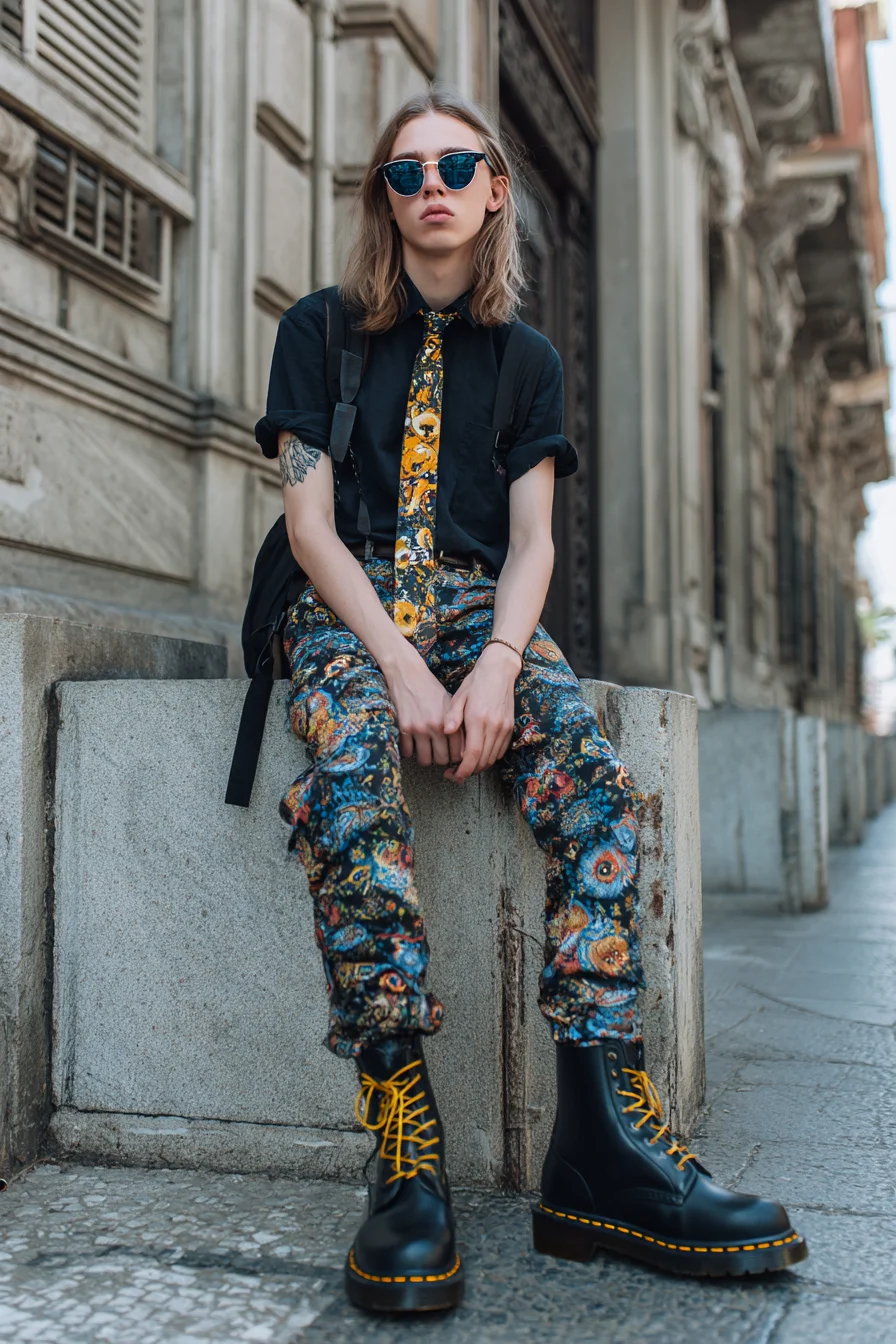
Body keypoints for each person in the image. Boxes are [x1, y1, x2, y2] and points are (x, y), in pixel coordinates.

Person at [254, 88, 807, 1315]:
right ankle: (404, 1149)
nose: (431, 187)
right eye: (405, 174)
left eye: (457, 165)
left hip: (475, 607)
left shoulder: (530, 361)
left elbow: (532, 544)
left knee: (597, 784)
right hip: (345, 607)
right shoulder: (321, 330)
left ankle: (599, 1141)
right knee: (348, 772)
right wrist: (399, 665)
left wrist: (499, 661)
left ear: (496, 188)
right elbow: (306, 523)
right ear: (382, 200)